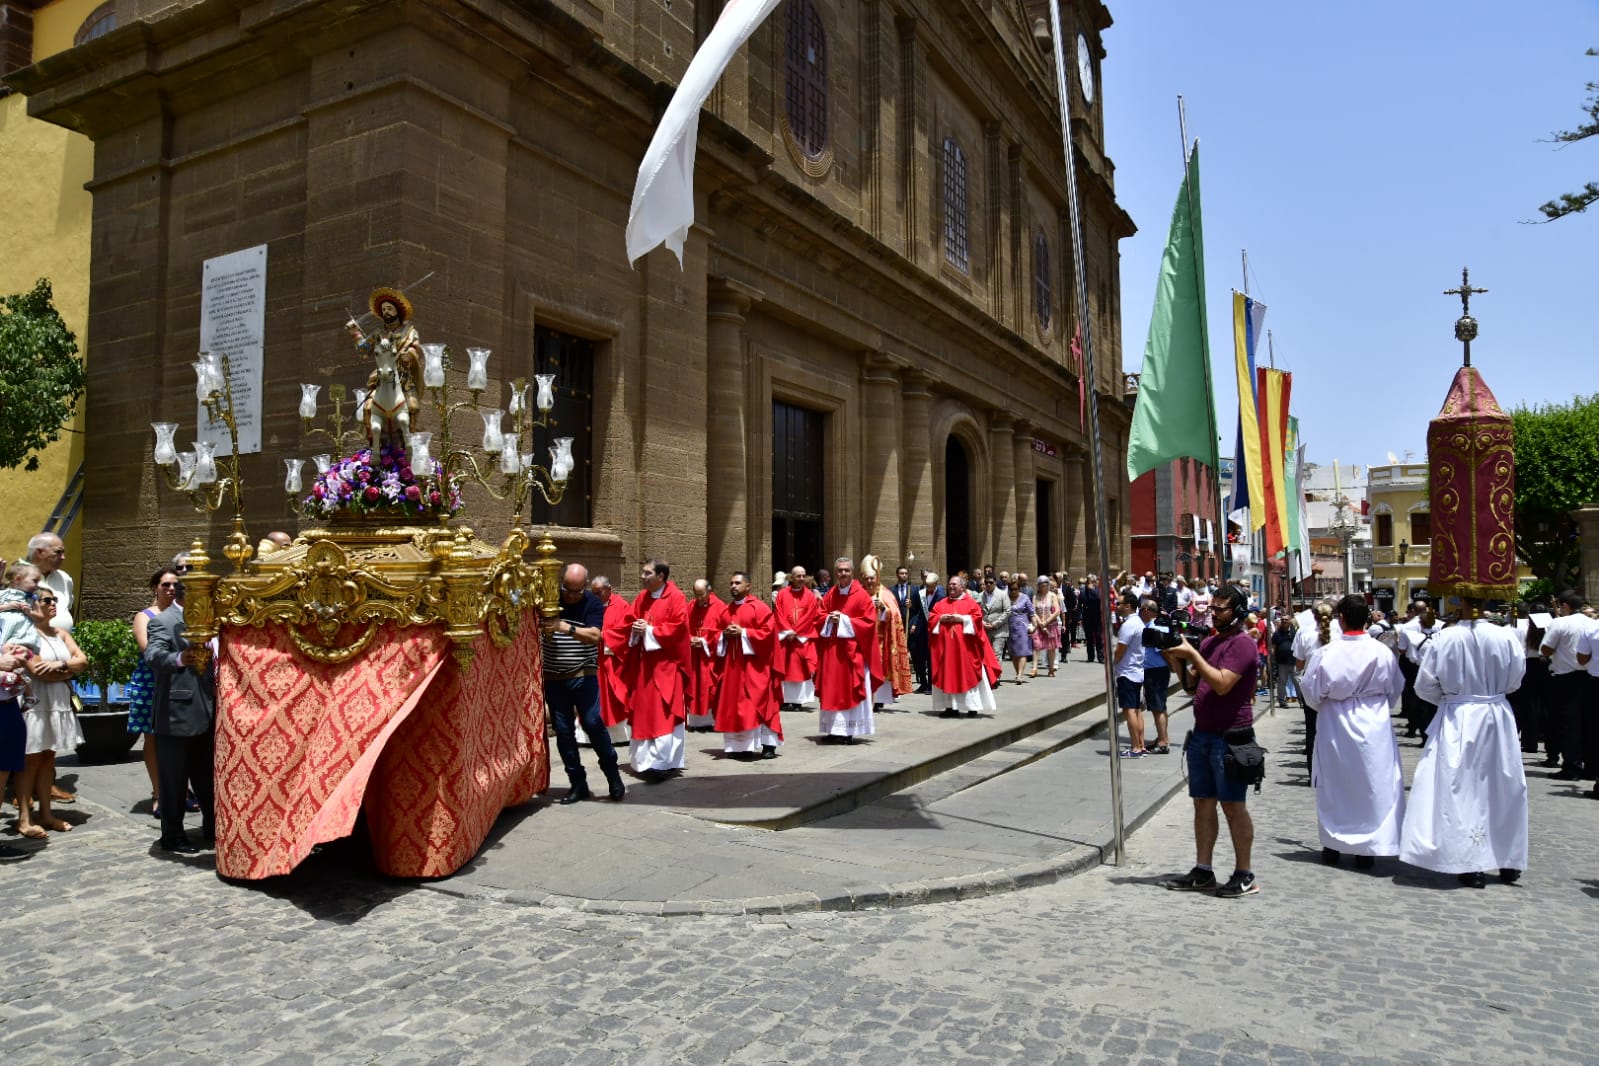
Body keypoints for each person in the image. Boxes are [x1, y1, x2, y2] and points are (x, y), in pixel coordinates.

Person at [1399, 603, 1527, 887]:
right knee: (1502, 785)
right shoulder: (1507, 636)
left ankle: (1470, 863)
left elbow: (1424, 685)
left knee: (1461, 787)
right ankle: (1507, 860)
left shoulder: (1445, 638)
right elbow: (1516, 680)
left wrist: (1451, 700)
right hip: (1496, 714)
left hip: (1459, 715)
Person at [1161, 585, 1260, 898]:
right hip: (1203, 734)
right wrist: (1174, 659)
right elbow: (1193, 686)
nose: (1213, 614)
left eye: (1220, 609)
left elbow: (1221, 684)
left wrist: (1192, 653)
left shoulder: (1243, 645)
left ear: (1238, 611)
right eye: (1212, 608)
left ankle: (1244, 873)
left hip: (1232, 737)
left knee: (1233, 806)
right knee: (1202, 803)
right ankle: (1203, 871)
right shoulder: (1211, 641)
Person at [1299, 595, 1406, 869]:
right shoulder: (1382, 652)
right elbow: (1395, 689)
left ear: (1341, 619)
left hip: (1336, 720)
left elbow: (1311, 693)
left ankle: (1333, 843)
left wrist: (1335, 701)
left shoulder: (1327, 653)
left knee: (1336, 783)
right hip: (1374, 722)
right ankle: (1366, 848)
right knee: (1372, 782)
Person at [8, 573, 86, 838]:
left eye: (55, 599)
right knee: (30, 759)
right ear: (32, 605)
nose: (53, 604)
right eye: (47, 600)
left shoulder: (60, 632)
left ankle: (46, 812)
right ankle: (24, 817)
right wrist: (66, 669)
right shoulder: (24, 634)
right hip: (36, 702)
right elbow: (39, 671)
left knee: (48, 757)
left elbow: (82, 661)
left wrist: (61, 666)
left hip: (58, 701)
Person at [541, 564, 626, 804]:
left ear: (585, 587)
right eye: (566, 589)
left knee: (591, 722)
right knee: (564, 732)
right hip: (554, 677)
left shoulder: (592, 603)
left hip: (582, 673)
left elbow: (595, 636)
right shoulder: (550, 597)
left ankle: (613, 776)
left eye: (575, 591)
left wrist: (565, 627)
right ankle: (578, 784)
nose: (569, 595)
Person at [144, 586, 216, 854]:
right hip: (177, 713)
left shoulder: (211, 622)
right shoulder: (164, 621)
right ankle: (172, 835)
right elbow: (153, 655)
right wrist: (178, 658)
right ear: (185, 598)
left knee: (208, 776)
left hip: (209, 709)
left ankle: (213, 827)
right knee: (174, 779)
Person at [623, 558, 691, 779]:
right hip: (645, 666)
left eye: (647, 573)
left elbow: (679, 629)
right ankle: (643, 761)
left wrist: (650, 630)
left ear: (661, 577)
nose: (642, 577)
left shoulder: (676, 598)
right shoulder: (642, 598)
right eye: (643, 573)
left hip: (667, 667)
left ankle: (662, 763)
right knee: (644, 713)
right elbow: (629, 620)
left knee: (663, 713)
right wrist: (635, 628)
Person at [125, 569, 182, 817]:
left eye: (175, 585)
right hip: (151, 681)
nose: (170, 589)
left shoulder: (186, 614)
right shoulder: (145, 616)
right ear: (156, 587)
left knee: (181, 738)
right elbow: (147, 649)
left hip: (180, 680)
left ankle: (180, 791)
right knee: (153, 738)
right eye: (165, 584)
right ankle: (159, 793)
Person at [713, 571, 783, 759]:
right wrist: (724, 636)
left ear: (748, 586)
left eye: (737, 583)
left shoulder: (759, 608)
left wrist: (744, 633)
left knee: (760, 704)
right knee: (736, 707)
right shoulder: (725, 611)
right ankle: (740, 747)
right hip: (733, 668)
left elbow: (768, 635)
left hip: (755, 667)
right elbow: (715, 635)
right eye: (731, 583)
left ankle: (768, 745)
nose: (733, 586)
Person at [814, 557, 876, 744]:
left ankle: (848, 731)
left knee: (849, 690)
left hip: (851, 653)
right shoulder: (831, 594)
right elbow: (819, 616)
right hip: (833, 652)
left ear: (852, 572)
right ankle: (833, 730)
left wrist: (844, 620)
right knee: (832, 689)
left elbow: (869, 623)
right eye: (839, 570)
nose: (842, 573)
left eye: (846, 570)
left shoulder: (862, 595)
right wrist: (828, 619)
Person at [928, 575, 1000, 717]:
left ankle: (972, 707)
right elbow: (932, 618)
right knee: (947, 676)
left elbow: (977, 620)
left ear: (962, 587)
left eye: (955, 585)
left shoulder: (971, 603)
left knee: (968, 676)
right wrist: (941, 618)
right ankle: (950, 708)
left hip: (966, 651)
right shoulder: (941, 603)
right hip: (947, 652)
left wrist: (961, 619)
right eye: (950, 585)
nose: (951, 587)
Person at [1539, 590, 1588, 781]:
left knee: (1568, 724)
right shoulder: (1591, 623)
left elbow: (1546, 648)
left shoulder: (1559, 623)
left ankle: (1571, 766)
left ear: (1565, 606)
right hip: (1588, 677)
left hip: (1565, 678)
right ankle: (1589, 766)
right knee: (1587, 723)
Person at [861, 557, 912, 710]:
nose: (870, 581)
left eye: (872, 578)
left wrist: (883, 609)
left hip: (881, 640)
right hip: (863, 640)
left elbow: (895, 615)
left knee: (881, 669)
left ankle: (879, 700)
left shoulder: (885, 594)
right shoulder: (859, 593)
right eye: (867, 578)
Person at [1294, 599, 1336, 776]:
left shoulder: (1305, 634)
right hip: (1335, 686)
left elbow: (1299, 665)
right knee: (1335, 729)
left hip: (1312, 687)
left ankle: (1313, 772)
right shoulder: (1341, 634)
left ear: (1314, 616)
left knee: (1312, 729)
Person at [772, 566, 821, 710]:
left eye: (803, 576)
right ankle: (786, 699)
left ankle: (799, 700)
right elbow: (778, 613)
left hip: (801, 638)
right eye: (798, 576)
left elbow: (810, 616)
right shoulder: (782, 594)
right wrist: (788, 631)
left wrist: (796, 631)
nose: (801, 579)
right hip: (786, 638)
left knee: (800, 668)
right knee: (785, 667)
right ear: (791, 578)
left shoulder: (810, 596)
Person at [1397, 599, 1443, 738]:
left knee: (1414, 698)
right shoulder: (1440, 627)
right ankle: (1430, 728)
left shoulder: (1406, 627)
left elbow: (1402, 650)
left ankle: (1414, 727)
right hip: (1434, 666)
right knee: (1432, 699)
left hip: (1414, 666)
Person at [685, 579, 726, 733]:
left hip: (710, 656)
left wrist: (704, 641)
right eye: (696, 594)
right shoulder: (691, 606)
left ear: (709, 591)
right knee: (694, 686)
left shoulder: (720, 607)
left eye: (701, 594)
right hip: (694, 656)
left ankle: (711, 720)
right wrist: (690, 639)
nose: (699, 598)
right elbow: (683, 627)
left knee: (709, 688)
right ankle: (696, 721)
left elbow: (723, 631)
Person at [591, 575, 631, 730]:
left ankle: (617, 733)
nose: (595, 597)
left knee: (613, 696)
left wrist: (604, 636)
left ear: (609, 590)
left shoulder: (622, 606)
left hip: (613, 659)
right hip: (594, 658)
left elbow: (626, 631)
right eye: (593, 593)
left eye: (598, 593)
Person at [1112, 594, 1148, 758]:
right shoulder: (1138, 622)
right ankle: (1140, 744)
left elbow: (1121, 648)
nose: (1116, 606)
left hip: (1127, 672)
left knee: (1129, 711)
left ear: (1128, 606)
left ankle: (1135, 747)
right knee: (1137, 711)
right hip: (1136, 671)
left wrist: (1113, 663)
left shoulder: (1129, 624)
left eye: (1118, 603)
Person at [1140, 597, 1173, 754]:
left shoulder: (1154, 628)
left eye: (1141, 610)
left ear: (1147, 611)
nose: (1140, 612)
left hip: (1156, 672)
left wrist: (1172, 666)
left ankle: (1163, 742)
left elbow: (1164, 651)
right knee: (1159, 706)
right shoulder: (1156, 626)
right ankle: (1162, 736)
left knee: (1158, 707)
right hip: (1157, 671)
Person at [905, 571, 943, 694]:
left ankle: (932, 685)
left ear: (936, 584)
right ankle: (923, 683)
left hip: (934, 631)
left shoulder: (941, 595)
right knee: (919, 658)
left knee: (931, 658)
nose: (928, 588)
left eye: (931, 586)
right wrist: (910, 606)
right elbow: (916, 610)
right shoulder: (919, 593)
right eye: (927, 585)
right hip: (921, 630)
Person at [1031, 577, 1062, 677]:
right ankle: (1034, 668)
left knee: (1051, 647)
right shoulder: (1035, 596)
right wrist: (1040, 623)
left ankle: (1051, 668)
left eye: (1045, 584)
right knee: (1036, 646)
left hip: (1051, 625)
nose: (1043, 586)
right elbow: (1033, 611)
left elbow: (1057, 611)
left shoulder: (1052, 596)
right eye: (1041, 584)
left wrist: (1047, 622)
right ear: (1038, 586)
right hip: (1039, 625)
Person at [1005, 578, 1034, 684]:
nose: (1013, 591)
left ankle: (1020, 674)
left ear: (1019, 589)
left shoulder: (1025, 598)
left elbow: (1032, 613)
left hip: (1022, 626)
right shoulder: (1005, 598)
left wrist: (1034, 625)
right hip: (1010, 627)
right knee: (1013, 653)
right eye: (1011, 589)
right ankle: (1018, 673)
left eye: (1015, 589)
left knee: (1022, 651)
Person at [1270, 615, 1298, 709]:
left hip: (1294, 661)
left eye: (1286, 619)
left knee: (1297, 682)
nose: (1284, 621)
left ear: (1290, 620)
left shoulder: (1295, 632)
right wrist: (1272, 658)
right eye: (1282, 619)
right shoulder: (1277, 633)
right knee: (1282, 682)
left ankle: (1302, 701)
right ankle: (1282, 701)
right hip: (1282, 662)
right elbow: (1273, 647)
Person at [981, 575, 1010, 665]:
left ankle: (996, 677)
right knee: (986, 654)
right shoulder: (981, 595)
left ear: (995, 583)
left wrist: (995, 624)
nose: (988, 584)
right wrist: (982, 623)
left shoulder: (1002, 594)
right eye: (986, 583)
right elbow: (976, 612)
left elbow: (1007, 611)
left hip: (999, 630)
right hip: (985, 629)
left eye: (991, 582)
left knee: (996, 653)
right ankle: (989, 676)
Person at [1080, 575, 1103, 663]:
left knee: (1098, 637)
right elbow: (1080, 605)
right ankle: (1090, 657)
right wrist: (1080, 618)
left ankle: (1100, 657)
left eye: (1090, 582)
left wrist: (1092, 590)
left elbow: (1098, 598)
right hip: (1087, 617)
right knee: (1089, 638)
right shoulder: (1083, 592)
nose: (1088, 584)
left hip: (1097, 617)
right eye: (1087, 582)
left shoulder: (1098, 590)